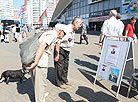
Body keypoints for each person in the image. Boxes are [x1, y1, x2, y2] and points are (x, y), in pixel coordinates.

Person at [25, 24, 67, 102]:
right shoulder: (53, 34)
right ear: (60, 31)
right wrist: (36, 62)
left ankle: (41, 95)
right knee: (40, 85)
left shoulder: (50, 33)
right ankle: (40, 99)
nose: (64, 36)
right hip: (40, 63)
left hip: (34, 60)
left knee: (37, 83)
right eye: (65, 33)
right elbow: (42, 46)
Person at [54, 17, 82, 89]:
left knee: (65, 66)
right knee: (59, 67)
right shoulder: (66, 29)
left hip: (67, 50)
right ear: (75, 23)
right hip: (60, 49)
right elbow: (57, 42)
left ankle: (64, 79)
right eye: (79, 24)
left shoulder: (73, 30)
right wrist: (56, 55)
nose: (80, 26)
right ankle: (59, 82)